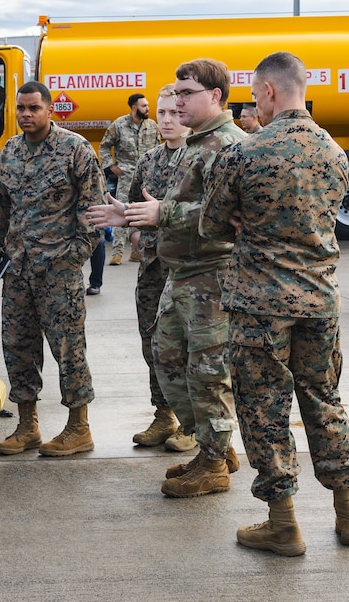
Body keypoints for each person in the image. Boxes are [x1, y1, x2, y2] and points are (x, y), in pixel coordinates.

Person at [200, 51, 349, 556]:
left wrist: (242, 223)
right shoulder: (335, 153)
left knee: (264, 408)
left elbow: (210, 226)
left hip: (259, 305)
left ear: (269, 91)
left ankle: (283, 523)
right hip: (320, 301)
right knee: (324, 400)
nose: (255, 104)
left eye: (255, 96)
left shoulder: (245, 153)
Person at [88, 61, 242, 499]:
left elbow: (232, 219)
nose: (176, 101)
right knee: (168, 359)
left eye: (186, 92)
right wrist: (132, 214)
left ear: (215, 96)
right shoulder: (194, 145)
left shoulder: (230, 146)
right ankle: (213, 447)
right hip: (180, 272)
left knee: (208, 373)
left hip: (212, 275)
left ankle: (214, 462)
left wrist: (163, 214)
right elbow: (172, 205)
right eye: (175, 93)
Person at [0, 81, 106, 457]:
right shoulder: (12, 151)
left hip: (58, 271)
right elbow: (0, 208)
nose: (26, 115)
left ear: (50, 110)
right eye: (21, 108)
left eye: (34, 108)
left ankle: (78, 427)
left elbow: (94, 212)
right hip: (18, 270)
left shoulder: (75, 150)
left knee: (68, 350)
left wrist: (74, 256)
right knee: (18, 348)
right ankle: (27, 426)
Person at [120, 84, 194, 450]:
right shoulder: (149, 159)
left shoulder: (200, 157)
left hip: (187, 269)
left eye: (174, 113)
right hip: (151, 267)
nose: (166, 120)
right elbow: (135, 203)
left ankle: (192, 422)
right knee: (153, 344)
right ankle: (164, 414)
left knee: (187, 347)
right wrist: (128, 223)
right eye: (161, 113)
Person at [99, 93, 161, 265]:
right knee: (122, 210)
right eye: (144, 106)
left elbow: (158, 149)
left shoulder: (152, 126)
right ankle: (117, 253)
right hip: (126, 175)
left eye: (148, 105)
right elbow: (104, 146)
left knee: (143, 213)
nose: (148, 109)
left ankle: (137, 251)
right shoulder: (119, 125)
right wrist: (111, 166)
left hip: (148, 177)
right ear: (134, 107)